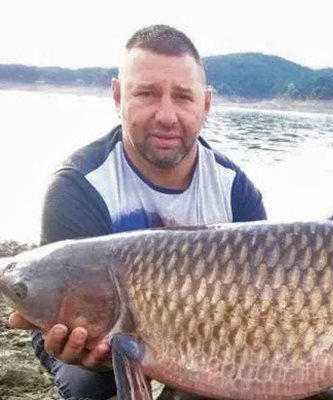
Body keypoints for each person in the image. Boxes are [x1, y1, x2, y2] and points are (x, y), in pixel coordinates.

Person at [7, 24, 266, 400]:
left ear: (206, 104)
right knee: (94, 380)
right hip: (91, 335)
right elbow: (64, 296)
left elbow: (263, 299)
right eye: (146, 94)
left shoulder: (234, 189)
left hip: (212, 327)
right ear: (118, 96)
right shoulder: (79, 186)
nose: (166, 115)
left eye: (183, 97)